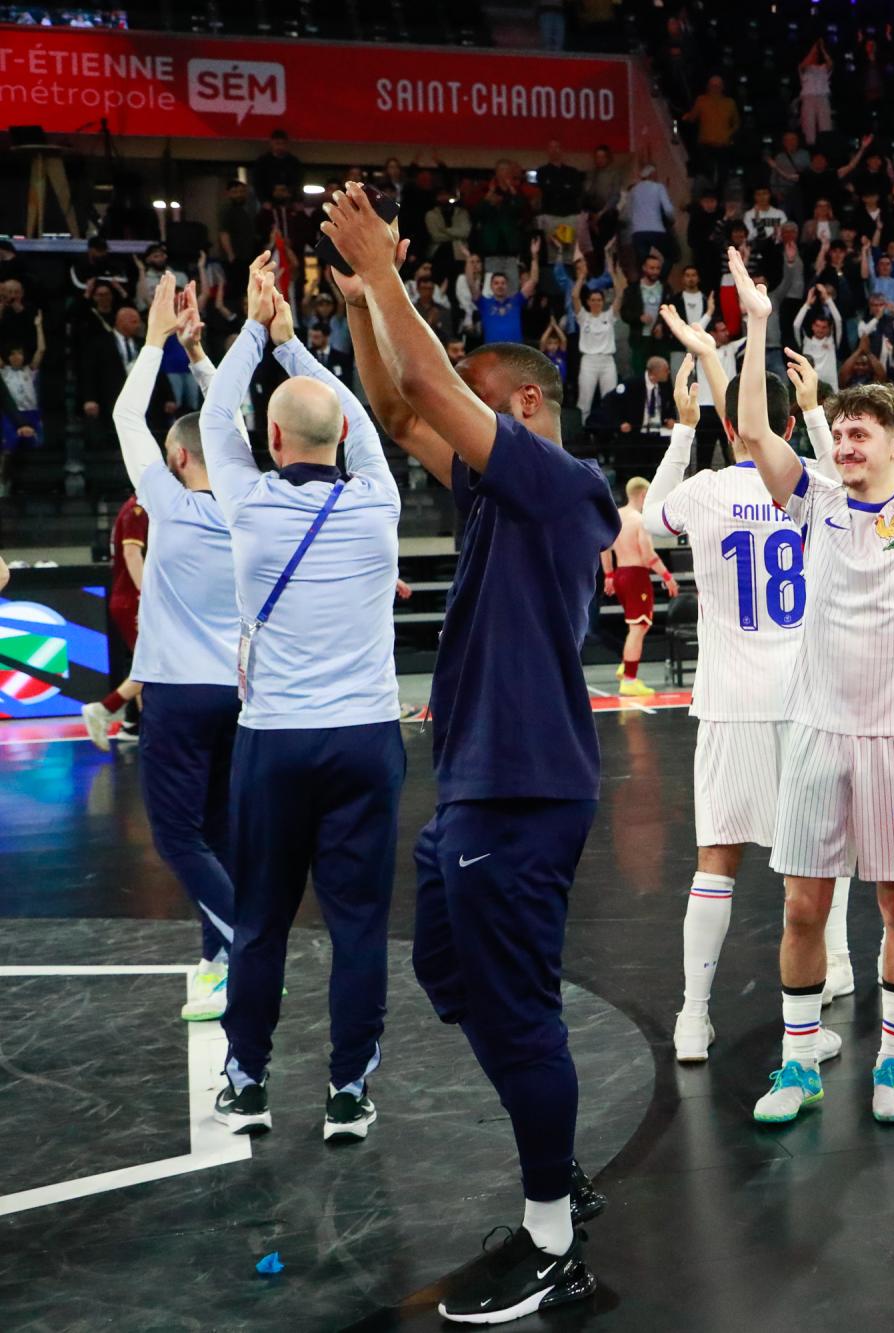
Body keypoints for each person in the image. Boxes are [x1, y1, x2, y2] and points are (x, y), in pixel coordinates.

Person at [322, 181, 617, 1323]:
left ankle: (552, 1232)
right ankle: (551, 1160)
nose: (452, 431)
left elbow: (434, 391)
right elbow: (401, 413)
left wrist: (393, 276)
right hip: (476, 793)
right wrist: (359, 303)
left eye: (478, 414)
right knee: (459, 980)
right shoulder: (498, 494)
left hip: (523, 792)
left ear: (527, 407)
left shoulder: (561, 485)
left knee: (518, 1010)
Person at [731, 248, 894, 1128]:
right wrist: (756, 325)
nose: (845, 438)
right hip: (819, 731)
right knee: (801, 901)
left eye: (863, 430)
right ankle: (799, 1063)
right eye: (841, 429)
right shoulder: (815, 498)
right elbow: (757, 432)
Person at [201, 253, 406, 1148]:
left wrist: (254, 331)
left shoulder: (244, 502)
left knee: (261, 921)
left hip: (275, 743)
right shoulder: (379, 504)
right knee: (359, 926)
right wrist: (297, 350)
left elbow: (216, 414)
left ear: (271, 443)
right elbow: (357, 418)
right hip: (363, 739)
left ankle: (247, 1082)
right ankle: (349, 1093)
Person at [643, 324, 856, 1062]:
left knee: (717, 860)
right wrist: (820, 412)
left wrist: (682, 427)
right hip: (808, 695)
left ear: (729, 424)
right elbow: (849, 480)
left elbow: (646, 520)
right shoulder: (814, 489)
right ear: (787, 423)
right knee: (820, 854)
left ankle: (693, 1016)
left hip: (730, 697)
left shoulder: (702, 491)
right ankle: (836, 967)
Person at [111, 275, 240, 1022]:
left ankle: (247, 949)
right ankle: (218, 960)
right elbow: (241, 429)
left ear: (175, 455)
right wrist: (198, 356)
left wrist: (156, 340)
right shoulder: (253, 500)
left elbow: (128, 411)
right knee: (219, 832)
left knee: (178, 836)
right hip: (238, 693)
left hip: (179, 693)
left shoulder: (165, 498)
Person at [600, 476, 678, 696]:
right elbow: (648, 553)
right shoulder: (639, 520)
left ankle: (627, 664)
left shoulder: (616, 517)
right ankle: (630, 679)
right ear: (644, 494)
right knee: (639, 627)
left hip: (620, 575)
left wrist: (608, 575)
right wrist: (667, 576)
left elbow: (603, 548)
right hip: (635, 575)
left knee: (635, 625)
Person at [84, 490, 147, 748]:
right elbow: (132, 554)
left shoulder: (133, 506)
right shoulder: (138, 509)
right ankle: (103, 709)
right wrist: (148, 597)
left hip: (129, 598)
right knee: (154, 666)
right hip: (134, 599)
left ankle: (140, 726)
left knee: (147, 665)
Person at [571, 257, 625, 418]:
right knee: (584, 401)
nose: (596, 303)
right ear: (588, 302)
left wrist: (613, 273)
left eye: (599, 300)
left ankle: (610, 432)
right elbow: (574, 297)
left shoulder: (609, 315)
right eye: (593, 300)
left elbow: (620, 295)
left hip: (607, 361)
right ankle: (582, 435)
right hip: (588, 361)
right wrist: (581, 277)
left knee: (610, 399)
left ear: (603, 301)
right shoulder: (583, 317)